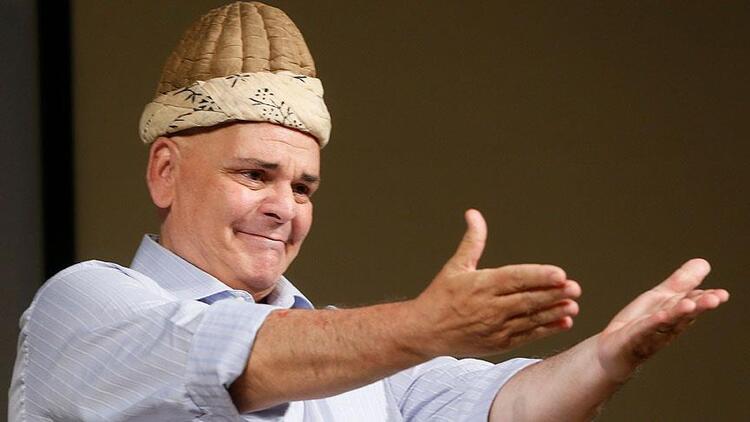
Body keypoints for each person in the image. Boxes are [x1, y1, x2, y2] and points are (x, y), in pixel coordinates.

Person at [9, 2, 729, 421]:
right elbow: (221, 354)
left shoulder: (365, 362)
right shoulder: (83, 305)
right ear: (165, 172)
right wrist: (423, 326)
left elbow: (503, 406)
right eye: (254, 175)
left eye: (303, 188)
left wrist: (604, 359)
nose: (282, 208)